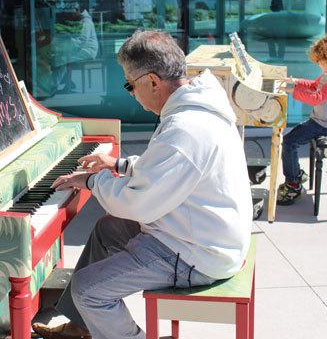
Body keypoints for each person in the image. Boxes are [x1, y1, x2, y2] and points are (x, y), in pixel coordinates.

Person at [32, 30, 253, 339]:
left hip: (196, 252)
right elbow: (166, 172)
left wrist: (93, 181)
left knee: (88, 289)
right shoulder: (196, 109)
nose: (131, 94)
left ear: (152, 81)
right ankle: (83, 325)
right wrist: (119, 165)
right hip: (201, 231)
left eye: (130, 85)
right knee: (106, 229)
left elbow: (137, 203)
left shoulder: (186, 128)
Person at [277, 33, 327, 205]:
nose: (318, 64)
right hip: (319, 120)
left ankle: (294, 184)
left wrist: (291, 91)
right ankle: (296, 174)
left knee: (288, 143)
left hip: (325, 125)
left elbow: (316, 97)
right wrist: (294, 81)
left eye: (320, 60)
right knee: (289, 141)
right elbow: (313, 85)